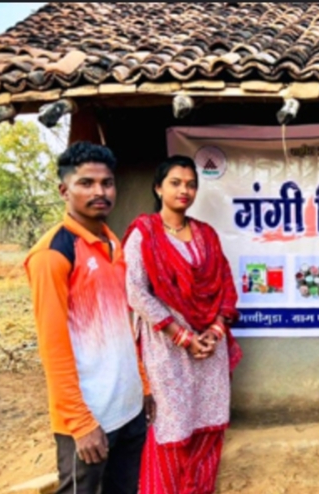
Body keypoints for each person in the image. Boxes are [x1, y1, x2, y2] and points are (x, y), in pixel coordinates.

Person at [24, 141, 155, 493]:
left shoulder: (114, 245)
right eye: (86, 183)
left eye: (107, 183)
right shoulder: (52, 254)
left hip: (128, 408)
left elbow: (122, 326)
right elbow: (53, 348)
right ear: (63, 191)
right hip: (89, 418)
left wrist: (142, 385)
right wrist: (81, 423)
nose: (100, 191)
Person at [122, 155, 242, 494]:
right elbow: (136, 292)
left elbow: (225, 285)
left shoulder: (207, 234)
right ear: (158, 188)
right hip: (167, 348)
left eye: (191, 184)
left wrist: (215, 331)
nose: (184, 190)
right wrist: (183, 337)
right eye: (175, 183)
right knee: (172, 427)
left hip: (209, 349)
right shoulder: (144, 234)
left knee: (207, 427)